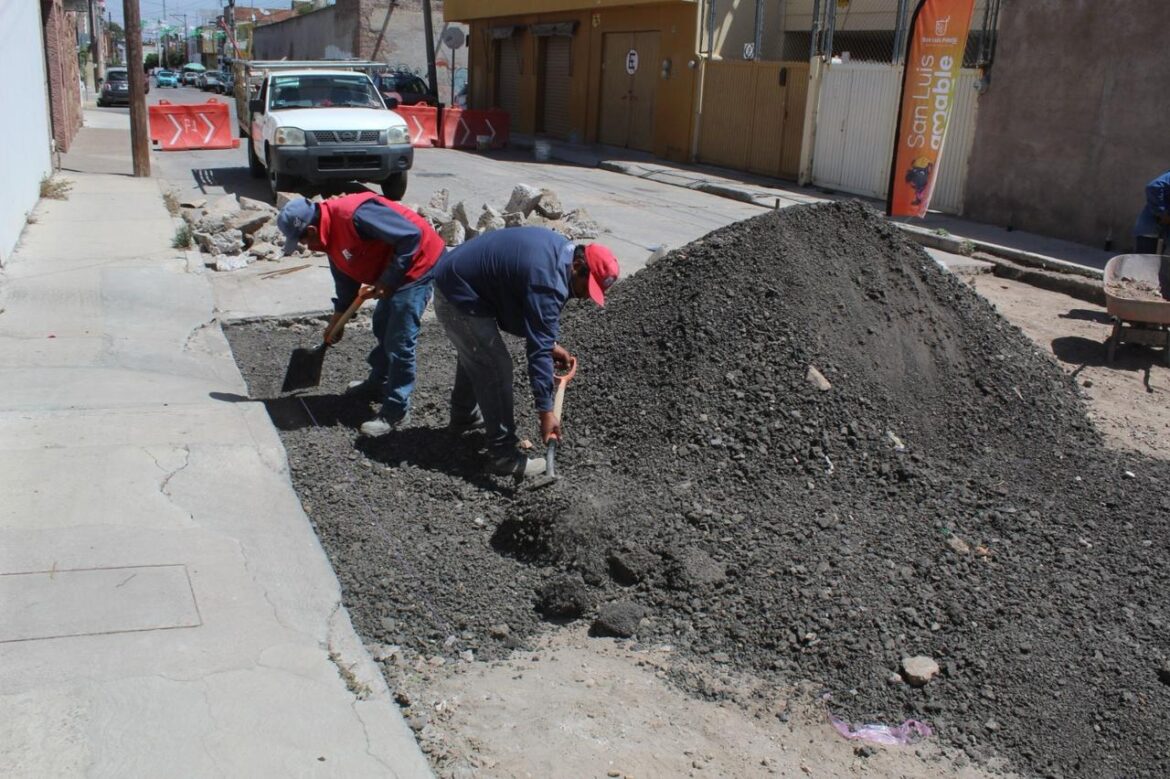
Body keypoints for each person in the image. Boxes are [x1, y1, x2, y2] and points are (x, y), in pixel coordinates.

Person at [430, 226, 619, 479]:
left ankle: (464, 416)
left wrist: (549, 344)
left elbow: (531, 317)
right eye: (588, 287)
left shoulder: (559, 253)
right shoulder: (549, 282)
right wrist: (545, 412)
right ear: (577, 267)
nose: (585, 297)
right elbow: (537, 352)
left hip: (460, 276)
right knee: (495, 366)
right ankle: (503, 455)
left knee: (478, 354)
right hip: (458, 292)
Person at [276, 192, 445, 437]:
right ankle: (378, 383)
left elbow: (411, 236)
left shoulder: (355, 215)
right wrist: (339, 316)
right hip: (394, 265)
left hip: (418, 262)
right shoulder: (326, 234)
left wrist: (388, 280)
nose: (304, 246)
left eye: (301, 240)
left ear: (311, 229)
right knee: (382, 324)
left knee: (399, 338)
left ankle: (396, 409)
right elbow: (345, 276)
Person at [1134, 169, 1170, 254]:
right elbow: (1154, 186)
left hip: (1162, 234)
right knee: (1145, 263)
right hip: (1152, 230)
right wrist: (1163, 214)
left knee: (1156, 264)